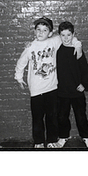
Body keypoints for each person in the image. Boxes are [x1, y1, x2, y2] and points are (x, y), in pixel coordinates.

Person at [14, 17, 82, 148]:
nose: (40, 32)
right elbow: (21, 63)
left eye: (44, 30)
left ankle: (51, 140)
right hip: (36, 89)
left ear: (50, 33)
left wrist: (78, 46)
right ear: (34, 31)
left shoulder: (54, 41)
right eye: (38, 30)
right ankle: (38, 142)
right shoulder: (30, 47)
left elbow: (69, 37)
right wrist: (19, 78)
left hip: (51, 88)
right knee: (37, 118)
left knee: (52, 117)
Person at [56, 21, 88, 148]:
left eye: (69, 35)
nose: (66, 38)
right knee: (62, 117)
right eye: (63, 35)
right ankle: (63, 137)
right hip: (62, 92)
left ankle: (86, 136)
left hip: (77, 91)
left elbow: (85, 69)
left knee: (81, 116)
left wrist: (85, 84)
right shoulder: (57, 50)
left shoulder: (77, 50)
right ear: (59, 36)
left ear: (73, 34)